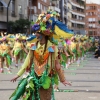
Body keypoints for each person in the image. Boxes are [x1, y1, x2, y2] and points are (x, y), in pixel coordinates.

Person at [10, 31, 71, 100]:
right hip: (33, 78)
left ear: (45, 34)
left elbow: (57, 65)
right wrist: (18, 75)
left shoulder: (52, 47)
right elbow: (27, 61)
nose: (36, 34)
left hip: (46, 79)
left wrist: (62, 79)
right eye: (35, 32)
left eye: (38, 33)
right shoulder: (33, 46)